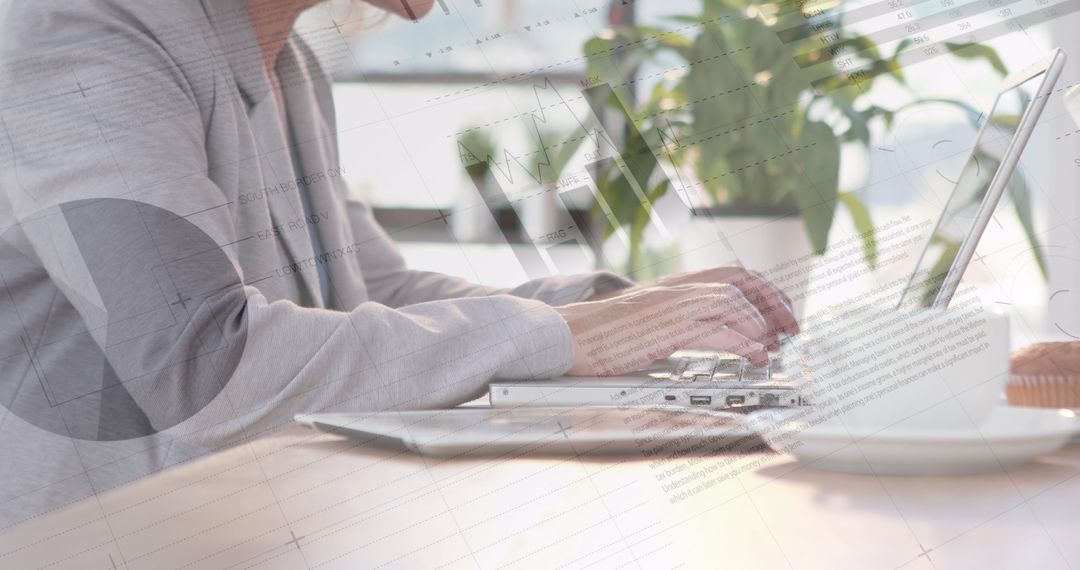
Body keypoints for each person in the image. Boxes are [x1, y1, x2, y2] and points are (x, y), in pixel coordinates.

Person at [0, 0, 797, 525]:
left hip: (244, 527)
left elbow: (372, 290)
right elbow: (206, 368)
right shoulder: (77, 38)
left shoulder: (285, 60)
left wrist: (615, 311)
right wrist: (562, 335)